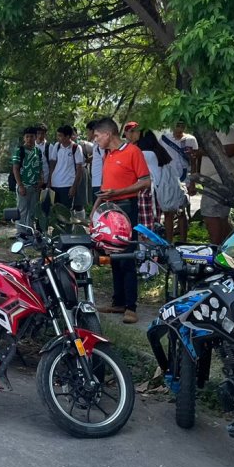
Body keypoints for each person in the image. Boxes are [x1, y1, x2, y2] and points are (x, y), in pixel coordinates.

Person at [91, 118, 150, 324]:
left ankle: (131, 306)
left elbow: (145, 181)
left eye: (97, 136)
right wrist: (95, 209)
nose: (95, 139)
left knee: (126, 255)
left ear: (108, 134)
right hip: (110, 208)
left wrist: (118, 192)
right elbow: (105, 186)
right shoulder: (108, 154)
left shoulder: (133, 152)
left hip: (126, 206)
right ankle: (118, 301)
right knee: (113, 253)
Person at [191, 126, 234, 245]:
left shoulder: (229, 129)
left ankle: (215, 246)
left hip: (221, 177)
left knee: (211, 213)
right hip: (213, 178)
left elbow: (230, 150)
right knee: (220, 215)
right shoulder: (211, 131)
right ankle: (228, 246)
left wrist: (203, 151)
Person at [124, 123, 159, 230]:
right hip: (153, 189)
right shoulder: (154, 151)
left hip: (144, 190)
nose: (135, 135)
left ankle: (146, 246)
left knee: (145, 226)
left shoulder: (142, 153)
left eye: (137, 132)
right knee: (151, 223)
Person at [47, 124, 85, 212]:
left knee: (66, 212)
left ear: (68, 136)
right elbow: (52, 165)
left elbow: (79, 169)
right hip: (55, 184)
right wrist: (49, 182)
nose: (58, 138)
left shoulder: (76, 148)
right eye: (58, 135)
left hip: (68, 185)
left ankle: (68, 226)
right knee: (55, 211)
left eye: (60, 136)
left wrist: (74, 187)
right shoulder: (56, 146)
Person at [11, 126, 43, 229]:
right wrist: (20, 185)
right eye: (27, 136)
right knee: (22, 210)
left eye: (32, 136)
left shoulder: (38, 151)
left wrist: (41, 180)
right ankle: (21, 233)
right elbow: (15, 168)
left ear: (35, 137)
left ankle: (30, 232)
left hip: (35, 186)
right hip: (23, 185)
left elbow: (40, 167)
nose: (29, 139)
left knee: (33, 211)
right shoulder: (19, 150)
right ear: (24, 138)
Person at [85, 120, 107, 211]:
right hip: (96, 182)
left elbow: (105, 160)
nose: (87, 134)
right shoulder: (95, 144)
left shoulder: (99, 144)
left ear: (93, 130)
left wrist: (103, 182)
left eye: (88, 131)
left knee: (98, 212)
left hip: (100, 183)